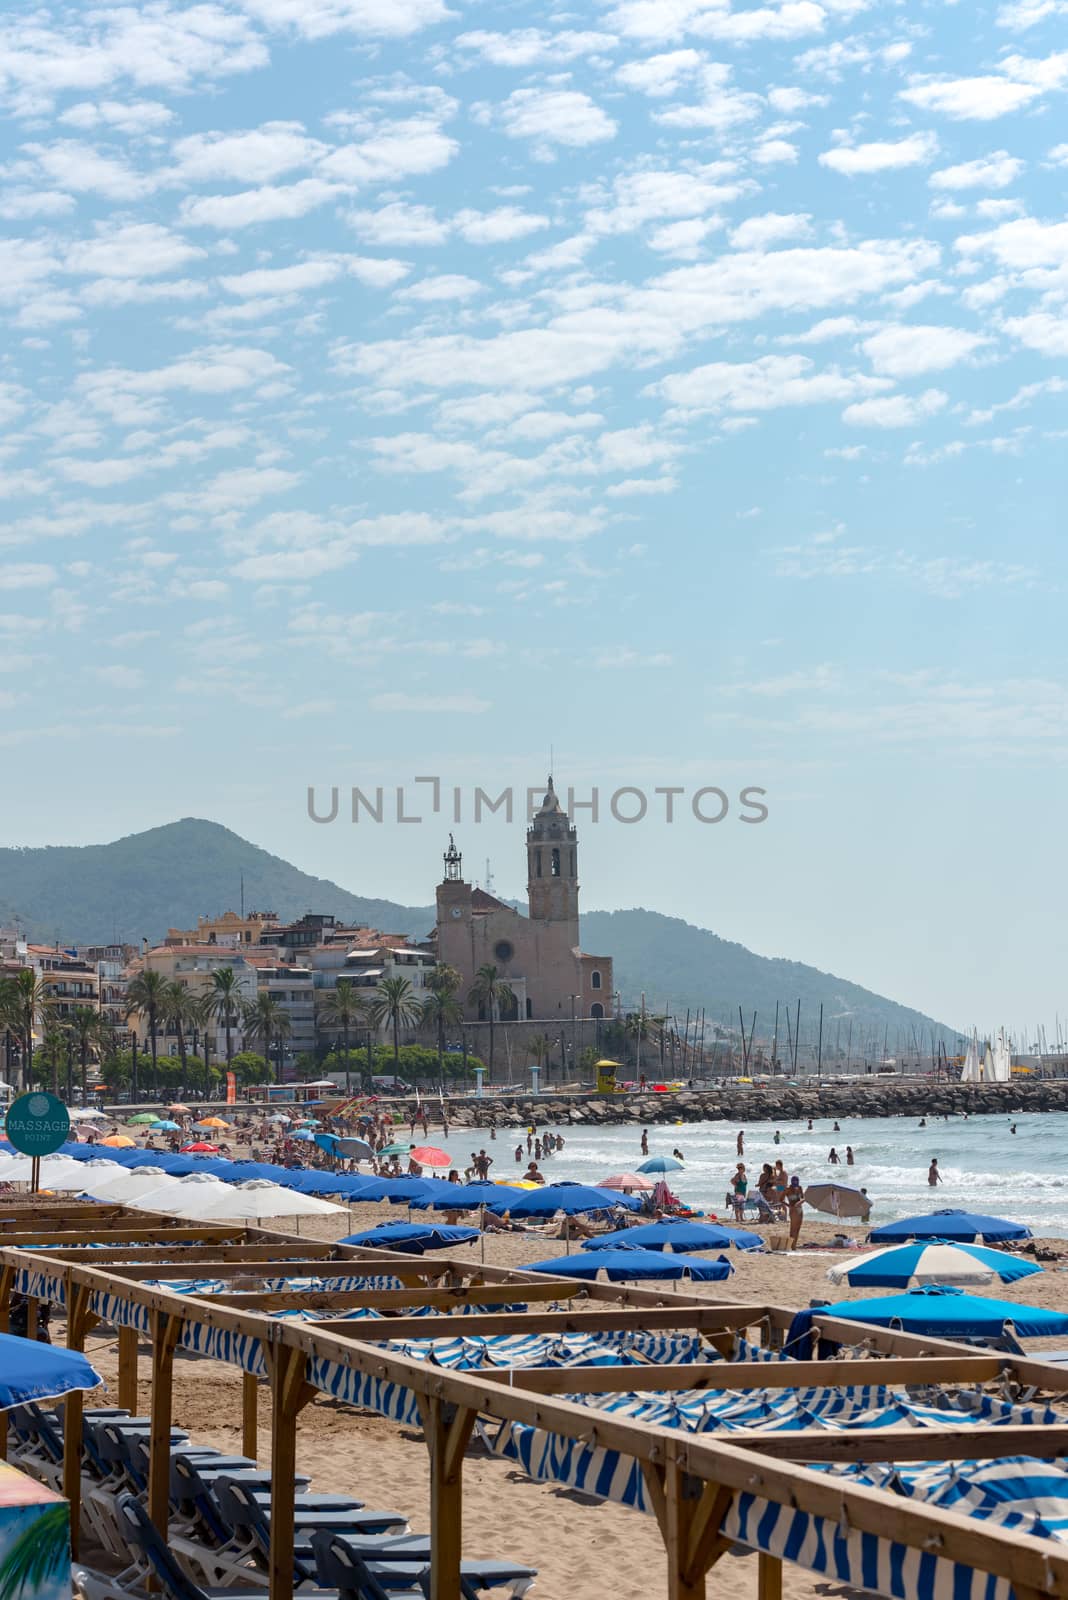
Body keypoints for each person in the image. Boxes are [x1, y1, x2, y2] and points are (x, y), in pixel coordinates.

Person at [784, 1176, 804, 1250]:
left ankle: (794, 1246)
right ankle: (791, 1245)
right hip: (793, 1210)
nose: (796, 1185)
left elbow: (803, 1198)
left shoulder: (800, 1188)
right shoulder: (788, 1189)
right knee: (793, 1228)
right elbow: (781, 1199)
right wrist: (789, 1205)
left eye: (797, 1182)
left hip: (800, 1209)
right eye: (794, 1183)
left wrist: (800, 1202)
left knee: (798, 1228)